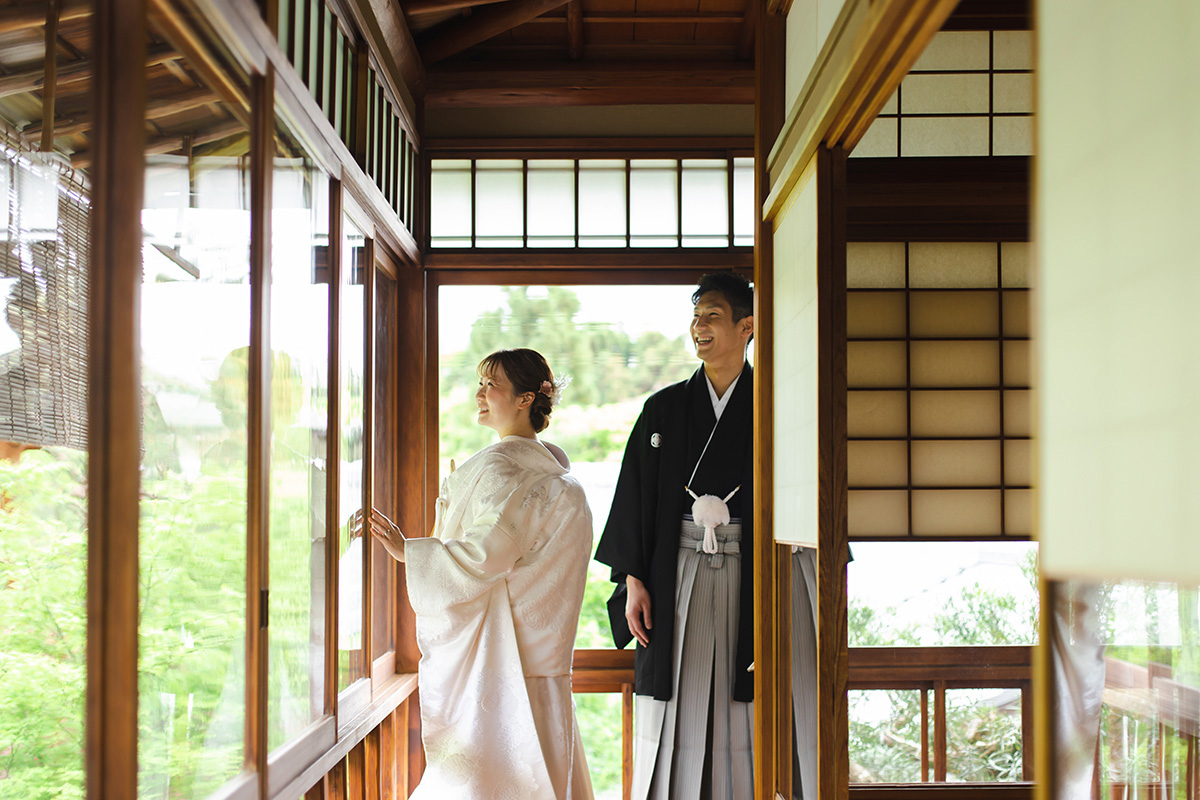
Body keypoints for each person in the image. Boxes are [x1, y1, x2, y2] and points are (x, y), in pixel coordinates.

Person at [365, 348, 595, 800]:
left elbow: (482, 556)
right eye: (480, 383)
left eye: (492, 385)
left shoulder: (501, 467)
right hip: (544, 661)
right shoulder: (560, 479)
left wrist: (409, 551)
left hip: (502, 659)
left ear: (527, 398)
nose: (480, 394)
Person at [595, 272, 755, 800]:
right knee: (676, 696)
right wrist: (633, 577)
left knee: (743, 691)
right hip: (673, 570)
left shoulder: (773, 403)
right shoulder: (663, 409)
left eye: (712, 315)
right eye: (695, 317)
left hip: (747, 571)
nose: (698, 327)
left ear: (746, 326)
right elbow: (635, 495)